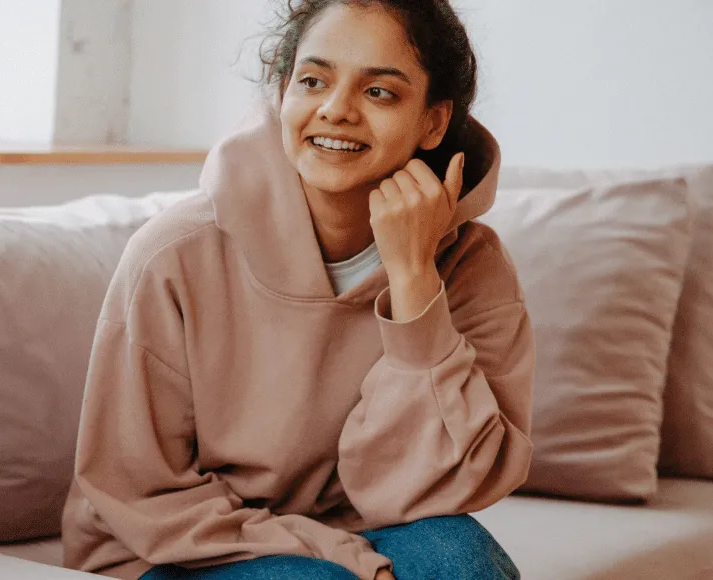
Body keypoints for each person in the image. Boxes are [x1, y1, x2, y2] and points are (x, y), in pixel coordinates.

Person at [62, 1, 531, 579]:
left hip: (362, 524)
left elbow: (453, 484)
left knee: (460, 561)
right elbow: (139, 491)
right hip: (175, 548)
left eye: (379, 92)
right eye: (313, 81)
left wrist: (414, 282)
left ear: (433, 121)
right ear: (283, 92)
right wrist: (336, 554)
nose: (336, 111)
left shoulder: (472, 266)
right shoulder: (173, 254)